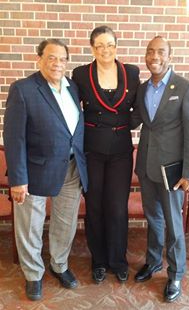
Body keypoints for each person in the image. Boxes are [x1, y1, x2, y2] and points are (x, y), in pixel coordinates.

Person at [3, 39, 88, 301]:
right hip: (35, 170)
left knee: (65, 221)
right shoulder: (24, 89)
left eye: (62, 59)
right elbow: (14, 138)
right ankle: (33, 274)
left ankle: (59, 264)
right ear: (39, 58)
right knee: (30, 225)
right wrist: (18, 180)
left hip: (71, 168)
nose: (57, 64)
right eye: (51, 57)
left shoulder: (72, 87)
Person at [131, 35, 189, 302]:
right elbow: (135, 120)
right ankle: (153, 262)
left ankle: (175, 273)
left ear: (169, 55)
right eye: (150, 51)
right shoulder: (142, 89)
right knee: (154, 219)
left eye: (160, 51)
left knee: (173, 225)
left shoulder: (185, 88)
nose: (154, 56)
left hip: (173, 172)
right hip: (147, 168)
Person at [72, 25, 140, 283]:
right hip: (92, 149)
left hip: (121, 150)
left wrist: (125, 124)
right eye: (99, 45)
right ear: (92, 48)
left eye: (110, 44)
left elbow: (141, 107)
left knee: (117, 208)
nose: (105, 50)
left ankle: (118, 260)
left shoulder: (131, 73)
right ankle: (98, 261)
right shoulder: (80, 74)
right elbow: (71, 108)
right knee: (95, 207)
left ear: (116, 46)